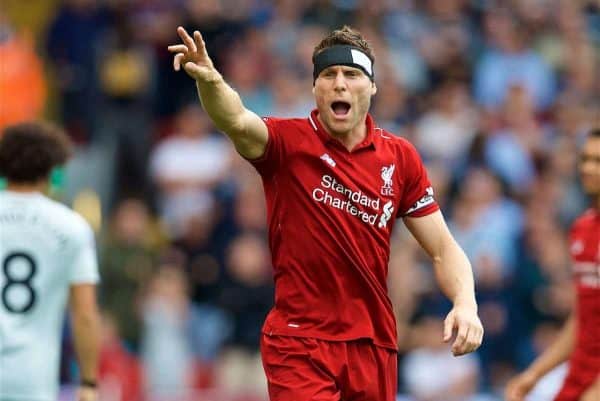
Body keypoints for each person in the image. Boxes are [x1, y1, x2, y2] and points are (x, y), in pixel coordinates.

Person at [168, 25, 484, 401]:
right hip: (299, 341)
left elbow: (443, 248)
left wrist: (466, 303)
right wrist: (211, 81)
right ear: (314, 88)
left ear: (372, 87)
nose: (339, 84)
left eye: (352, 75)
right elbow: (236, 119)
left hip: (373, 344)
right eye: (328, 75)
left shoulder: (400, 159)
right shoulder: (287, 143)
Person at [0, 122, 101, 401]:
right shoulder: (71, 227)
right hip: (33, 380)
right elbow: (84, 315)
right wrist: (89, 382)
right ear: (53, 170)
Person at [506, 128, 600, 401]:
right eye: (585, 159)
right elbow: (582, 317)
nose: (588, 168)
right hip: (580, 374)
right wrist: (534, 374)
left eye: (598, 161)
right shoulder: (581, 229)